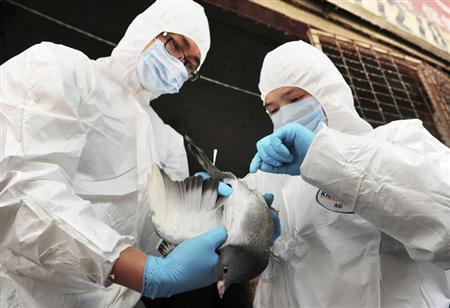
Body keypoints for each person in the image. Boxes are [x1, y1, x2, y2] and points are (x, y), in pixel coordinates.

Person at [0, 1, 232, 307]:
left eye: (190, 66)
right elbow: (20, 189)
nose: (180, 66)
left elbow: (158, 242)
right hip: (24, 295)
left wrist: (214, 217)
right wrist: (141, 270)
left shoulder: (166, 142)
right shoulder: (59, 67)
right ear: (147, 29)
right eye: (177, 46)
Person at [246, 41, 450, 307]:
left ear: (327, 91)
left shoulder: (398, 141)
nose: (285, 115)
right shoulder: (270, 179)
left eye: (295, 99)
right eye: (273, 109)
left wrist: (327, 157)